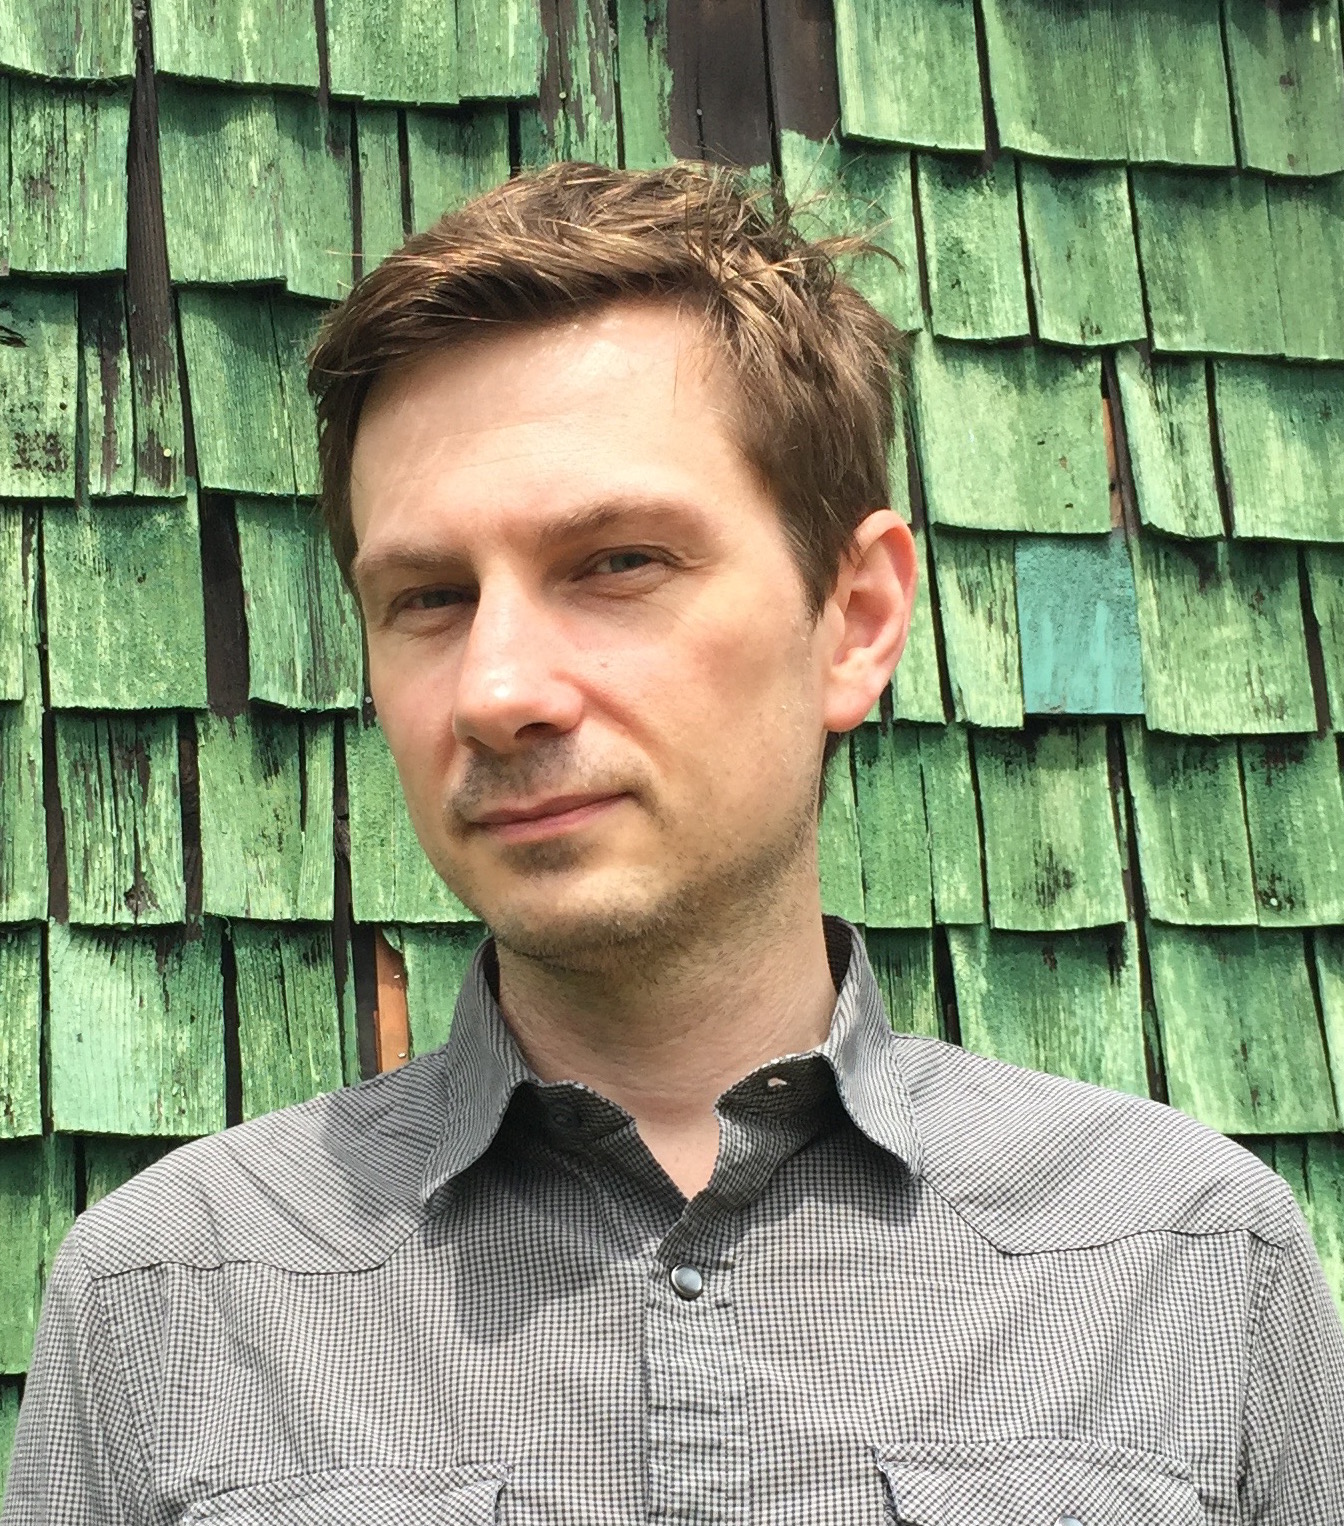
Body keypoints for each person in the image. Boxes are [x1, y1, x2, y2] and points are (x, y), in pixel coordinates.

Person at [5, 161, 1342, 1526]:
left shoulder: (1186, 1257)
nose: (497, 688)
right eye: (428, 596)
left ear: (859, 617)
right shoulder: (165, 1292)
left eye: (619, 560)